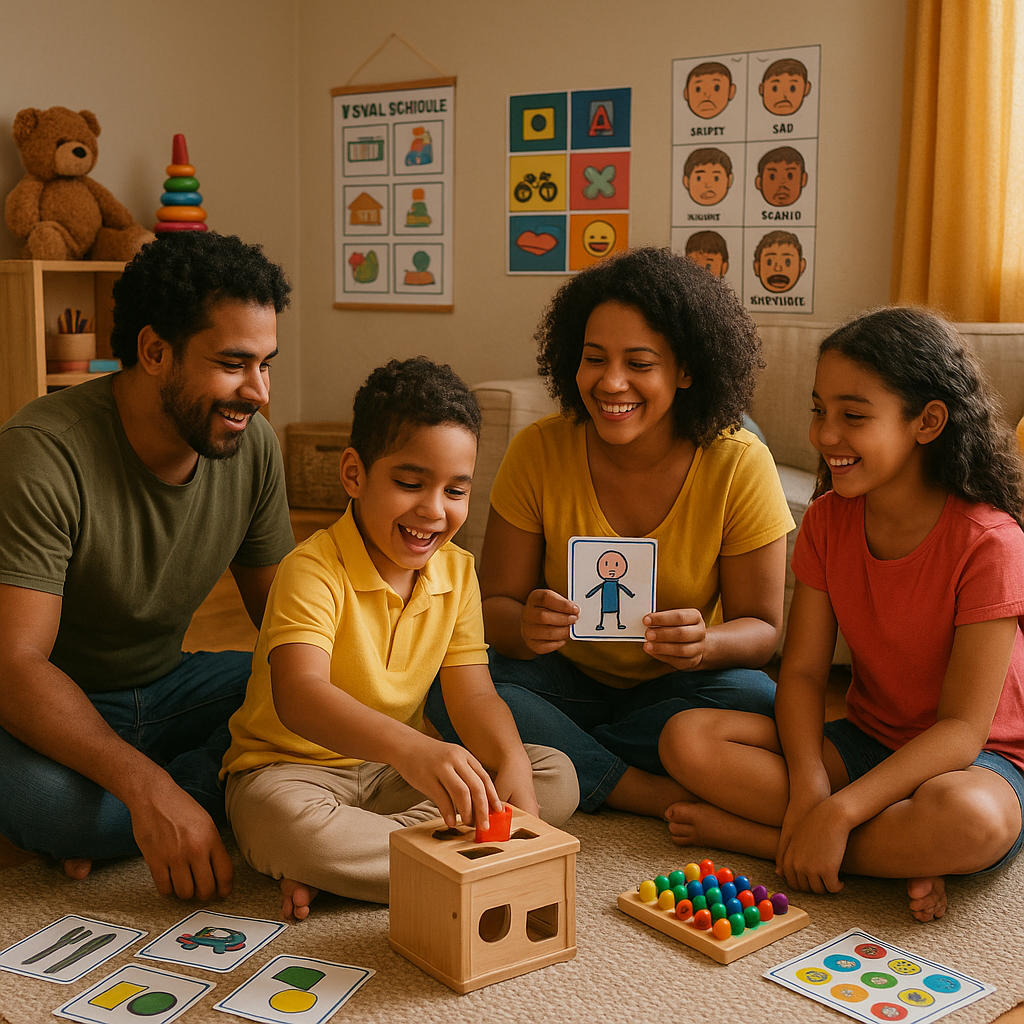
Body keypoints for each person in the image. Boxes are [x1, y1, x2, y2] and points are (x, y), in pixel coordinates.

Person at [659, 307, 1024, 922]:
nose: (827, 435)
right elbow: (800, 674)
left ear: (927, 422)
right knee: (688, 738)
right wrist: (811, 789)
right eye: (818, 410)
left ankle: (772, 841)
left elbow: (962, 730)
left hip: (980, 759)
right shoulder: (828, 520)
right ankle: (896, 850)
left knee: (971, 819)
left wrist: (840, 811)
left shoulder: (991, 542)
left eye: (854, 416)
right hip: (872, 738)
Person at [427, 246, 794, 821]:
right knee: (446, 685)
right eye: (594, 358)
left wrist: (706, 644)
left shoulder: (738, 462)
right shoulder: (539, 450)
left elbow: (764, 631)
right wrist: (525, 627)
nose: (611, 382)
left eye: (640, 363)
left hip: (670, 693)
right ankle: (641, 789)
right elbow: (492, 609)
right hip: (560, 681)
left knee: (760, 699)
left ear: (687, 369)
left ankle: (578, 760)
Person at [222, 357, 578, 919]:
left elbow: (475, 693)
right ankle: (414, 856)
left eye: (455, 492)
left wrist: (508, 761)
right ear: (354, 475)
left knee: (552, 774)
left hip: (393, 778)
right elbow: (299, 694)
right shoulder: (310, 569)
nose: (433, 511)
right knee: (291, 827)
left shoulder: (457, 571)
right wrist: (415, 750)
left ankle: (353, 870)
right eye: (410, 483)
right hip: (290, 773)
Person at [0, 232, 294, 902]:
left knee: (312, 698)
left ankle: (134, 821)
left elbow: (288, 626)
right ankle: (191, 799)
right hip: (44, 710)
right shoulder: (42, 453)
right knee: (48, 807)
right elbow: (15, 668)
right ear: (155, 351)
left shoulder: (255, 449)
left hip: (168, 689)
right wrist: (146, 786)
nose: (258, 393)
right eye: (233, 364)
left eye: (266, 365)